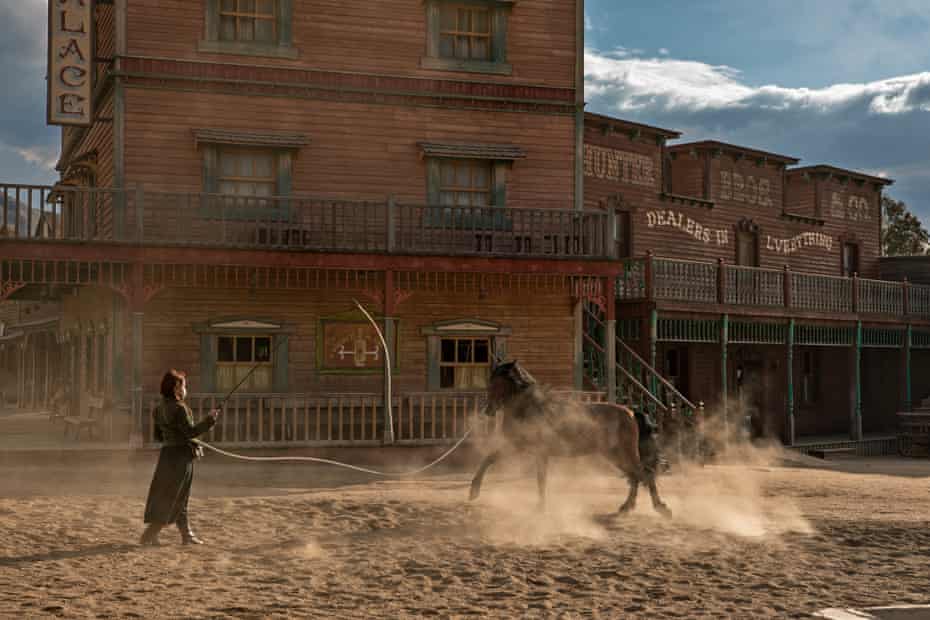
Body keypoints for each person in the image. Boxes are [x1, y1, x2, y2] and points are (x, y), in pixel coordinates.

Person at [140, 369, 220, 546]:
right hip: (180, 457)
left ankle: (187, 535)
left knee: (176, 495)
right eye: (184, 385)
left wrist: (174, 436)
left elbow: (159, 436)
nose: (185, 388)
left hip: (167, 455)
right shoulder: (180, 409)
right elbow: (190, 432)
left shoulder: (158, 409)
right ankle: (149, 535)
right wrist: (210, 420)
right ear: (176, 387)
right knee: (175, 496)